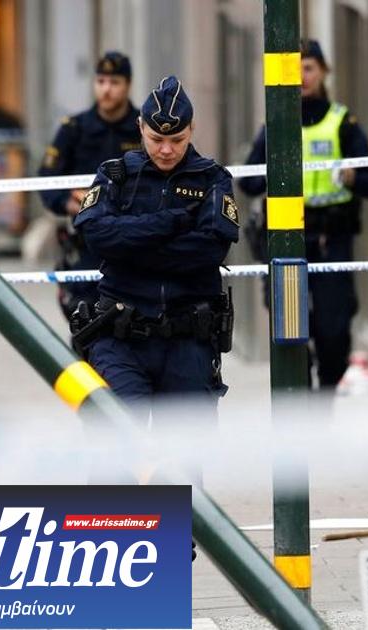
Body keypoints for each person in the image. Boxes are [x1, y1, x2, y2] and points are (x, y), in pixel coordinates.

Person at [71, 75, 238, 478]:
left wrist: (132, 248)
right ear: (141, 128)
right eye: (156, 139)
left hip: (187, 338)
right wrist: (168, 223)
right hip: (121, 337)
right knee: (114, 452)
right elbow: (96, 237)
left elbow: (209, 250)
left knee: (182, 462)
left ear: (191, 130)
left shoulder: (212, 179)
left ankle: (176, 523)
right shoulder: (116, 175)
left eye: (177, 140)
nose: (166, 149)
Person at [239, 39, 368, 389]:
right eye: (295, 69)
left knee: (333, 332)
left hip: (331, 239)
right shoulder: (276, 124)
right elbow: (247, 181)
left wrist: (353, 177)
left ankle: (325, 398)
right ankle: (300, 401)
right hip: (287, 240)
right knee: (291, 330)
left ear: (323, 72)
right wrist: (275, 172)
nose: (302, 76)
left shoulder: (342, 122)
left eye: (309, 68)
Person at [39, 51, 142, 320]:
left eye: (114, 82)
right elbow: (47, 178)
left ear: (128, 85)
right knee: (85, 320)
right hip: (86, 243)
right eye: (101, 81)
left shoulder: (143, 128)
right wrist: (68, 202)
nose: (106, 89)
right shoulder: (75, 128)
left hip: (133, 242)